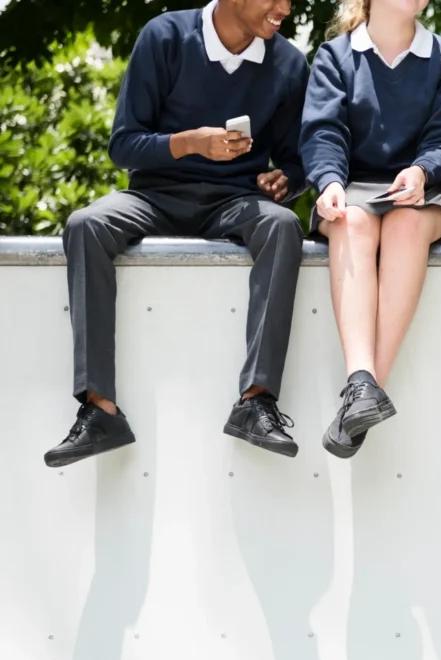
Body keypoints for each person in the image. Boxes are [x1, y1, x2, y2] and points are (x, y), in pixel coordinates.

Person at [43, 0, 309, 468]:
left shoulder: (288, 63)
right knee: (86, 224)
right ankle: (99, 408)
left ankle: (257, 400)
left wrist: (285, 179)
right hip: (155, 197)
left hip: (236, 202)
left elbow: (294, 160)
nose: (284, 8)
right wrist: (191, 143)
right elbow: (124, 146)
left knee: (283, 225)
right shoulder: (164, 37)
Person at [301, 0, 441, 459]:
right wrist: (331, 181)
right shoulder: (335, 57)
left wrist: (420, 171)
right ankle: (362, 382)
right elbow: (323, 132)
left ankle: (366, 392)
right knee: (351, 220)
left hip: (425, 191)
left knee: (403, 225)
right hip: (355, 188)